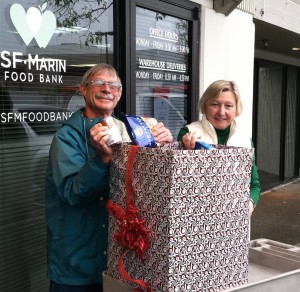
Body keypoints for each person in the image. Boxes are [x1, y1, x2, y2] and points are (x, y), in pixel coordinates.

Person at [45, 63, 173, 292]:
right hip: (77, 264)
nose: (107, 88)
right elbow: (73, 193)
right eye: (99, 83)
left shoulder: (129, 130)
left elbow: (144, 186)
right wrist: (102, 158)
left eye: (113, 85)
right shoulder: (66, 137)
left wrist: (160, 147)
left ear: (120, 94)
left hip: (120, 257)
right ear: (83, 89)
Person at [177, 80, 260, 218]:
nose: (221, 112)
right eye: (215, 104)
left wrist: (250, 204)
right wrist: (186, 151)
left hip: (234, 221)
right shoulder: (189, 134)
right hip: (196, 220)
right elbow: (180, 186)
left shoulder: (245, 140)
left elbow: (254, 184)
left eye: (228, 106)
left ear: (236, 109)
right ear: (205, 106)